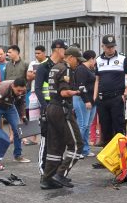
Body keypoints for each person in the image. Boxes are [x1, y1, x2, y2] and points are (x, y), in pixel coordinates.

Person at [41, 47, 85, 189]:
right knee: (77, 145)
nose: (78, 64)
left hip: (51, 108)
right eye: (77, 60)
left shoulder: (54, 67)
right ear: (70, 57)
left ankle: (47, 179)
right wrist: (78, 92)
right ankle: (60, 174)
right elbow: (64, 92)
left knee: (55, 146)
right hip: (62, 109)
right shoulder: (65, 69)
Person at [93, 35, 127, 148]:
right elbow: (97, 80)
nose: (111, 49)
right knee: (105, 129)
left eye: (112, 46)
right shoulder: (98, 60)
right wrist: (94, 98)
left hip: (117, 98)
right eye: (108, 47)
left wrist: (125, 94)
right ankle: (107, 158)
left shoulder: (122, 59)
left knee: (118, 127)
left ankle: (120, 156)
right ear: (103, 46)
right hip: (102, 100)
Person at [34, 39, 67, 176]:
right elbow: (38, 89)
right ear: (58, 49)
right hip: (48, 107)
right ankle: (44, 171)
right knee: (47, 140)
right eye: (64, 49)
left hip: (60, 108)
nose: (66, 52)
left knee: (60, 141)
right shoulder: (44, 67)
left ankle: (57, 171)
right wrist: (45, 106)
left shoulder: (63, 66)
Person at [0, 78, 31, 163]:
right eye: (18, 90)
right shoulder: (3, 89)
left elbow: (22, 103)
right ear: (12, 86)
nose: (20, 93)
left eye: (22, 91)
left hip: (10, 107)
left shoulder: (23, 90)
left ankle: (18, 155)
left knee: (18, 130)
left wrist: (23, 116)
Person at [73, 50, 97, 157]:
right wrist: (86, 100)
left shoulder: (91, 69)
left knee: (87, 125)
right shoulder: (81, 69)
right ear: (91, 58)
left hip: (91, 101)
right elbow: (81, 87)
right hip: (82, 100)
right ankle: (76, 150)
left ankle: (85, 149)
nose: (95, 61)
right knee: (82, 125)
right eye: (94, 59)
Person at [25, 45, 47, 145]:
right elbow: (28, 76)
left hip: (45, 93)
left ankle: (44, 137)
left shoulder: (48, 62)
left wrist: (35, 73)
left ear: (44, 53)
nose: (37, 55)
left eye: (39, 53)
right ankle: (33, 139)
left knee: (45, 116)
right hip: (34, 92)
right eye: (35, 53)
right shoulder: (33, 63)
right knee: (32, 116)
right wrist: (38, 74)